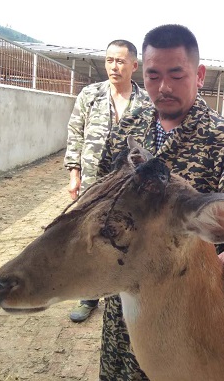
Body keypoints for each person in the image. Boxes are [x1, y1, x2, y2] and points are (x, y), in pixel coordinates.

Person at [97, 24, 224, 380]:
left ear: (199, 75)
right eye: (153, 76)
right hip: (127, 285)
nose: (164, 88)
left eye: (176, 75)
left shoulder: (220, 137)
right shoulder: (129, 128)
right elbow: (102, 193)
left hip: (184, 297)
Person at [63, 39, 150, 323]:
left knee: (120, 235)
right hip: (91, 179)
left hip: (126, 185)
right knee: (87, 234)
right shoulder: (90, 95)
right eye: (110, 60)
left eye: (121, 61)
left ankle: (118, 294)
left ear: (134, 66)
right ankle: (87, 294)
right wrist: (74, 172)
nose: (115, 66)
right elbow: (75, 133)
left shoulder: (146, 103)